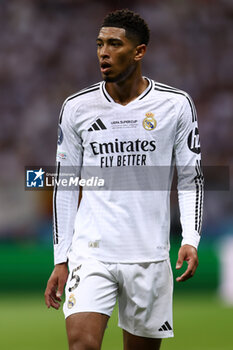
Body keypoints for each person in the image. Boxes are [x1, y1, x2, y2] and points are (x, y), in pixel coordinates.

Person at [45, 9, 204, 350]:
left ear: (139, 51)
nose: (103, 52)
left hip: (149, 254)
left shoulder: (175, 105)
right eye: (99, 44)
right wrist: (61, 257)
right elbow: (65, 186)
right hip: (91, 254)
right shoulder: (77, 108)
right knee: (81, 345)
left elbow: (191, 177)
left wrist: (191, 237)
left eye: (114, 44)